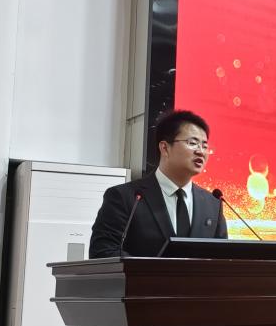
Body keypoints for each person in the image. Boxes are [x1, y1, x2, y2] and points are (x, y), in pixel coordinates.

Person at [89, 110, 229, 257]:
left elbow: (222, 258)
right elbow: (103, 252)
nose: (201, 152)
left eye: (205, 146)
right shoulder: (126, 197)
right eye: (192, 143)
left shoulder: (213, 204)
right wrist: (151, 269)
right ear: (165, 148)